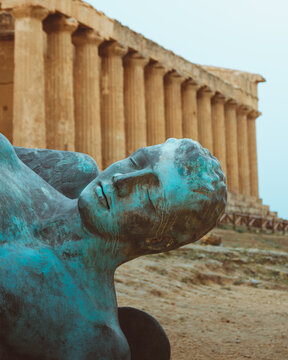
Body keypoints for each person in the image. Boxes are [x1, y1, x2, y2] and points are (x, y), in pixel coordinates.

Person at [0, 133, 226, 359]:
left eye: (147, 196)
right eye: (136, 161)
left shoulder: (91, 338)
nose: (121, 180)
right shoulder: (70, 168)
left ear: (156, 241)